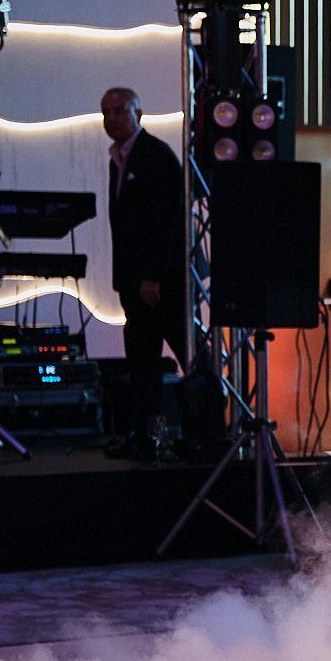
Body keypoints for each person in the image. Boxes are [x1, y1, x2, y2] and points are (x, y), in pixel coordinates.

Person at [99, 86, 187, 462]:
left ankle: (205, 430)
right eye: (106, 112)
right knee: (142, 361)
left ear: (138, 113)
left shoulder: (155, 156)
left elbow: (166, 224)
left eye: (119, 110)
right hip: (136, 281)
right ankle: (145, 435)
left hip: (161, 282)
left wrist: (152, 276)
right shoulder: (119, 158)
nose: (112, 118)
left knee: (185, 352)